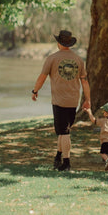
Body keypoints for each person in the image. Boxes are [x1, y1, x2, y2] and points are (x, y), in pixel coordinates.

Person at [31, 30, 91, 171]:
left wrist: (35, 91)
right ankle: (58, 156)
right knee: (63, 130)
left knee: (64, 133)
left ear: (59, 42)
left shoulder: (52, 58)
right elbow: (85, 82)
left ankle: (66, 163)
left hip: (59, 101)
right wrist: (87, 99)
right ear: (69, 43)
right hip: (73, 100)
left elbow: (42, 77)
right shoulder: (78, 60)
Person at [84, 102, 108, 172]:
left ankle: (107, 160)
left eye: (104, 112)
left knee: (103, 153)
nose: (103, 113)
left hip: (106, 141)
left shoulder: (103, 120)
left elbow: (94, 120)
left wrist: (89, 112)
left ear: (106, 113)